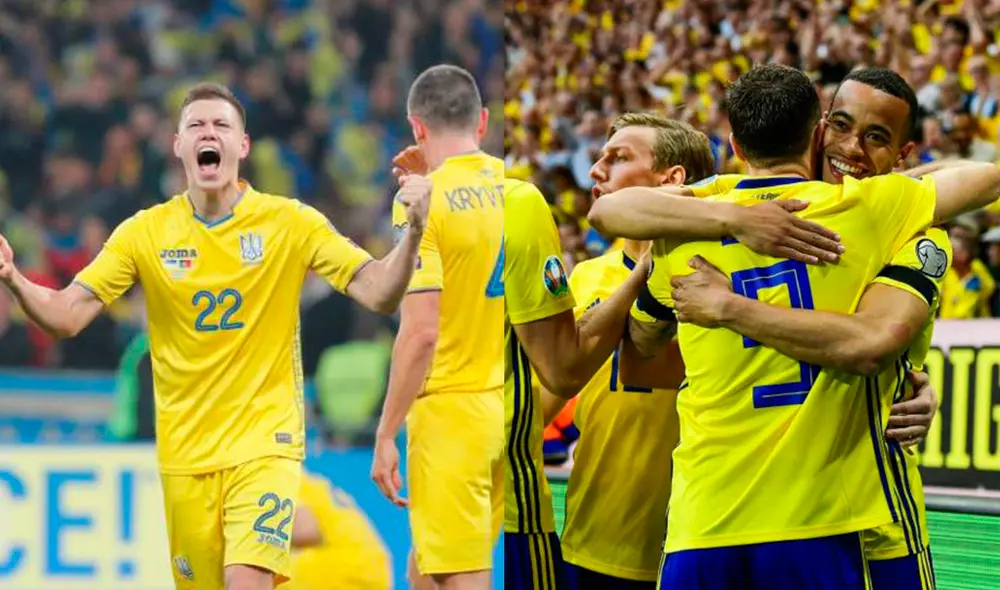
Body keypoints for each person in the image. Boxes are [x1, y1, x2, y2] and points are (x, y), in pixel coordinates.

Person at [0, 82, 430, 590]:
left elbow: (379, 291)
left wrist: (414, 232)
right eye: (197, 126)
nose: (210, 133)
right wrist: (14, 279)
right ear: (178, 144)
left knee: (245, 582)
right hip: (186, 457)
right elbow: (68, 314)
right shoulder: (145, 233)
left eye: (222, 125)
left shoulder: (289, 222)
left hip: (264, 446)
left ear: (242, 146)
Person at [595, 64, 1000, 588]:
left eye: (876, 138)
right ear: (817, 128)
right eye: (842, 126)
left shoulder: (900, 222)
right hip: (818, 518)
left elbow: (642, 332)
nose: (852, 148)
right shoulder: (885, 213)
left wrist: (725, 300)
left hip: (861, 517)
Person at [550, 113, 715, 589]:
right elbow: (543, 404)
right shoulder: (584, 278)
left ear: (672, 179)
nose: (595, 171)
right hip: (598, 534)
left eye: (617, 158)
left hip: (700, 540)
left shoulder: (729, 270)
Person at [368, 64, 503, 590]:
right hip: (509, 405)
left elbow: (422, 332)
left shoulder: (420, 202)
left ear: (416, 127)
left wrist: (385, 432)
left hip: (451, 413)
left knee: (460, 576)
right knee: (429, 570)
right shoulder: (518, 190)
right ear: (483, 121)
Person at [285, 472, 392, 590]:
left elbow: (306, 531)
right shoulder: (308, 479)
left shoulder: (278, 476)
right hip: (369, 571)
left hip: (343, 572)